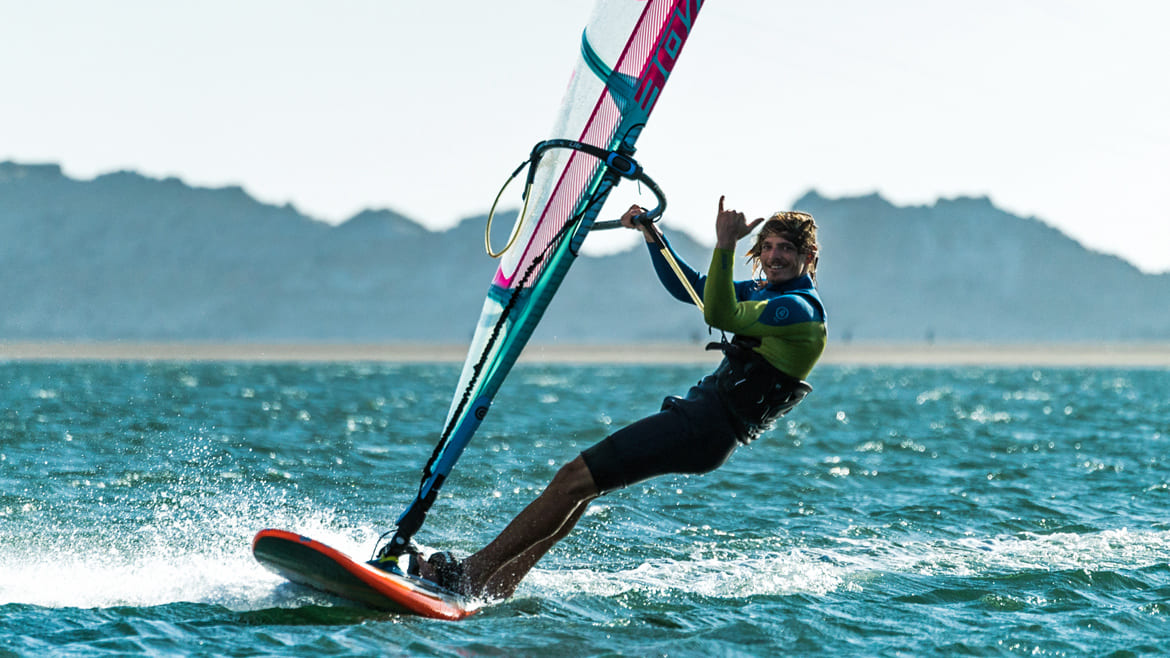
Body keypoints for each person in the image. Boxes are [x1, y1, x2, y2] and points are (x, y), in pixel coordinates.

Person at [421, 196, 827, 599]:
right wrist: (654, 237)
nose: (774, 257)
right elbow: (695, 290)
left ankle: (469, 575)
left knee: (571, 478)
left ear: (807, 256)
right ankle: (499, 583)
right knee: (580, 487)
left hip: (706, 427)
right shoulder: (768, 293)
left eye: (785, 249)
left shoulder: (795, 309)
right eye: (769, 246)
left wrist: (724, 244)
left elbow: (719, 315)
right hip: (701, 423)